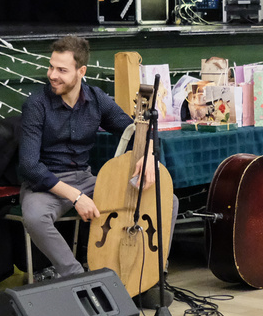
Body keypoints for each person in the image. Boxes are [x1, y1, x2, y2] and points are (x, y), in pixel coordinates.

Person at [13, 35, 158, 282]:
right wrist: (76, 196)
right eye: (51, 67)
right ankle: (78, 278)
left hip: (86, 179)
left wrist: (149, 154)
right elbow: (29, 166)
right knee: (36, 218)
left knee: (164, 200)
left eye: (62, 70)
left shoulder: (96, 98)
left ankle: (150, 271)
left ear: (81, 71)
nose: (52, 75)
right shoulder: (36, 105)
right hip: (47, 184)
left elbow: (136, 130)